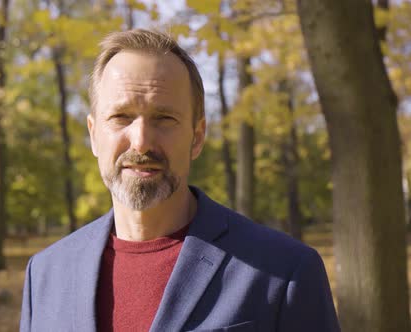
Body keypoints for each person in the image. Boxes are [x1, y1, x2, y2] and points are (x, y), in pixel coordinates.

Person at [19, 29, 340, 332]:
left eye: (164, 118)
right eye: (121, 117)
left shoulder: (284, 271)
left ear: (197, 137)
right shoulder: (45, 275)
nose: (141, 141)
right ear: (93, 134)